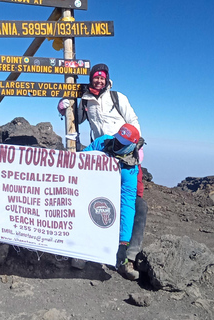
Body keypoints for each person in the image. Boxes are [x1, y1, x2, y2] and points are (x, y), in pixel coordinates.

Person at [58, 63, 148, 280]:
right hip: (104, 152)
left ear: (107, 79)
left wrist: (135, 146)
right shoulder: (87, 100)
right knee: (93, 200)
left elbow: (133, 120)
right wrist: (64, 106)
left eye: (102, 77)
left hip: (126, 153)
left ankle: (126, 255)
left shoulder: (117, 98)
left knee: (135, 204)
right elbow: (77, 120)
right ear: (91, 79)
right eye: (95, 77)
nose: (98, 80)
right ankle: (83, 251)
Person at [83, 124, 146, 280]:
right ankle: (81, 250)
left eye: (122, 143)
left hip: (117, 195)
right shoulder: (104, 142)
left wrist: (123, 243)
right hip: (94, 189)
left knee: (140, 207)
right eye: (117, 139)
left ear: (131, 146)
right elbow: (82, 160)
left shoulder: (131, 168)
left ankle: (127, 258)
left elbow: (127, 203)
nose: (116, 144)